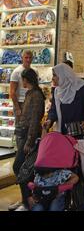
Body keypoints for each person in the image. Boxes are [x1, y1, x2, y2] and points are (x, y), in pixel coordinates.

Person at [43, 63, 84, 210]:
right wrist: (49, 120)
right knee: (66, 171)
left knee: (81, 171)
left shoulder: (81, 88)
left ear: (64, 76)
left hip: (81, 137)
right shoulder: (57, 91)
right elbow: (54, 109)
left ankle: (81, 203)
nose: (53, 78)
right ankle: (65, 201)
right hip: (64, 138)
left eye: (55, 75)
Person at [10, 69, 45, 212]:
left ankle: (28, 200)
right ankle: (26, 199)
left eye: (23, 80)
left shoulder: (36, 95)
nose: (21, 82)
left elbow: (35, 119)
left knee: (20, 167)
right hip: (25, 135)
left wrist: (29, 142)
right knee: (24, 169)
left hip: (30, 137)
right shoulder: (31, 93)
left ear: (26, 79)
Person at [10, 50, 39, 143]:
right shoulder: (16, 72)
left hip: (31, 102)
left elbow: (36, 86)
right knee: (20, 129)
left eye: (30, 57)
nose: (28, 60)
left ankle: (28, 150)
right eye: (26, 57)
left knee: (30, 127)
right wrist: (17, 108)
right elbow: (12, 91)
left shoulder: (35, 71)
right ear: (22, 58)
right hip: (20, 102)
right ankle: (20, 151)